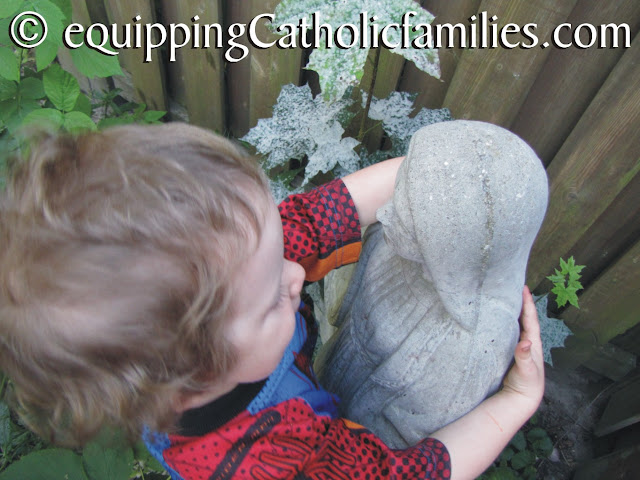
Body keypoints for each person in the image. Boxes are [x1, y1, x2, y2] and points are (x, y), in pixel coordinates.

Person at [0, 123, 544, 480]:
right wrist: (515, 404)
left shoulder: (226, 270)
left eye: (277, 248)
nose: (294, 272)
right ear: (198, 377)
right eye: (269, 302)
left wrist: (438, 173)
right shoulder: (272, 458)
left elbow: (316, 218)